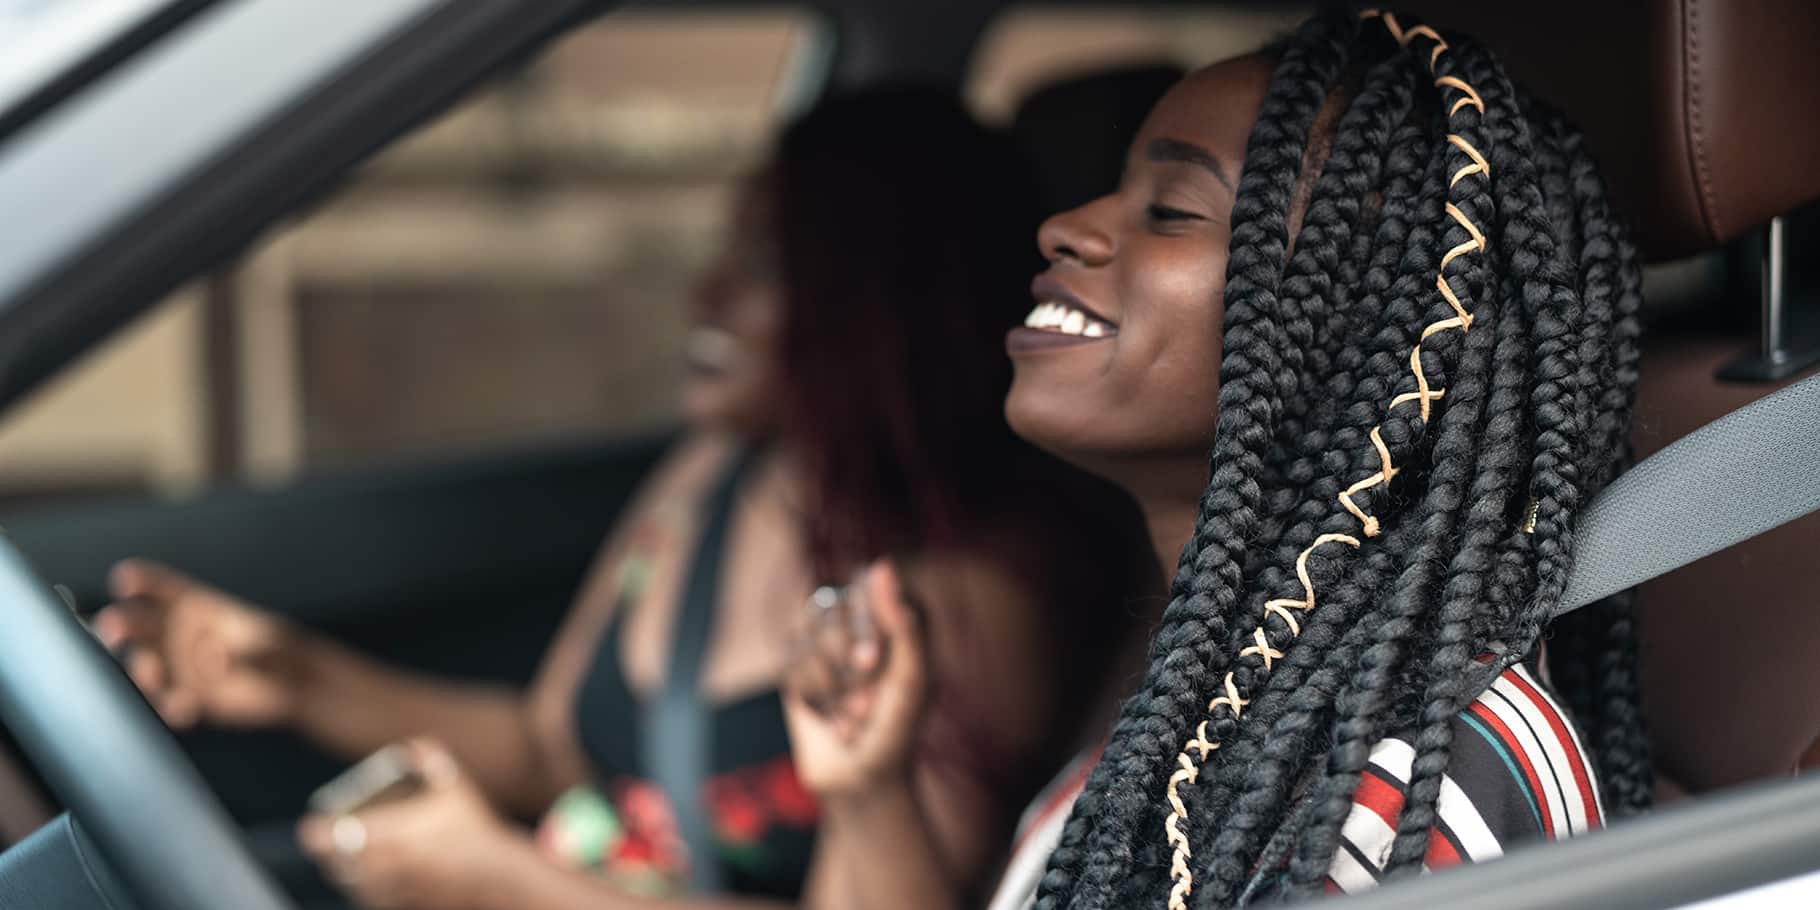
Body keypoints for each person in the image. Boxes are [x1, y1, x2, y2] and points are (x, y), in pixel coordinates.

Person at [94, 87, 1152, 910]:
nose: (707, 293)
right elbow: (552, 747)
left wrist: (510, 885)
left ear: (878, 295)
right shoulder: (713, 476)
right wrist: (291, 675)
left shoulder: (972, 586)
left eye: (766, 260)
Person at [785, 9, 1652, 910]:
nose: (1065, 227)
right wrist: (868, 796)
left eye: (1171, 210)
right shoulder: (1174, 742)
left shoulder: (1429, 778)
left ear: (1349, 329)